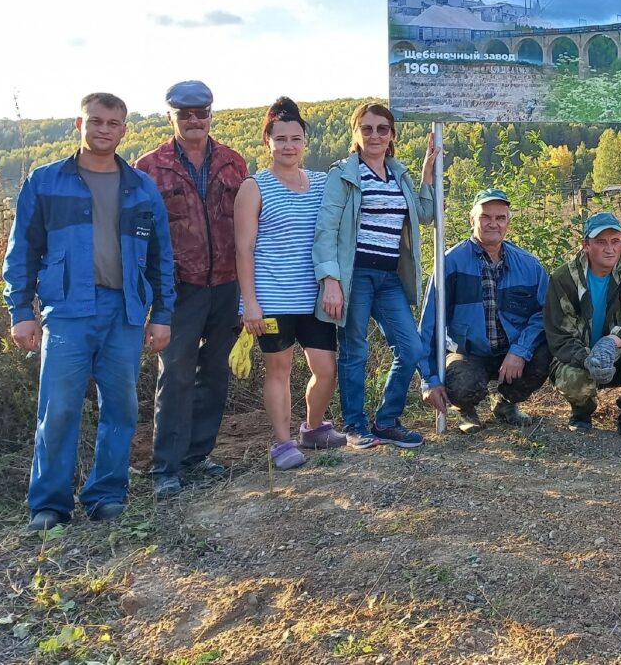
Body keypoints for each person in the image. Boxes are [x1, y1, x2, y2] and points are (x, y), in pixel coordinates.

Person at [4, 92, 175, 530]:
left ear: (124, 130)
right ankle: (49, 504)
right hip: (67, 311)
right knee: (58, 408)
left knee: (121, 407)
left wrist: (162, 313)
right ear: (78, 125)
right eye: (95, 121)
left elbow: (162, 257)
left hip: (125, 310)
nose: (104, 129)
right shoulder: (46, 182)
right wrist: (20, 310)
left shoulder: (141, 187)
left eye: (113, 123)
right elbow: (21, 251)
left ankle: (106, 494)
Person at [135, 80, 248, 498]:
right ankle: (166, 466)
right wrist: (149, 295)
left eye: (202, 112)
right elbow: (138, 238)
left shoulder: (234, 163)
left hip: (226, 285)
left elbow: (248, 230)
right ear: (171, 116)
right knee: (176, 376)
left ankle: (198, 456)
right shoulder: (149, 168)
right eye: (186, 114)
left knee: (214, 374)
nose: (195, 120)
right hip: (178, 289)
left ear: (211, 115)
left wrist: (245, 292)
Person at [313, 102, 437, 449]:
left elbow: (424, 214)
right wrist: (330, 280)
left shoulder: (399, 174)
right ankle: (355, 425)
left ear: (392, 135)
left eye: (382, 129)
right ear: (356, 134)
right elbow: (326, 229)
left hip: (388, 278)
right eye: (366, 128)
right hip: (355, 276)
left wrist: (427, 173)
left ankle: (386, 421)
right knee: (355, 351)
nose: (374, 135)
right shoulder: (345, 174)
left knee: (411, 348)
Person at [235, 98, 344, 471]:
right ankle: (282, 443)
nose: (288, 146)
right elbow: (244, 248)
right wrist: (249, 302)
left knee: (326, 369)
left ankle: (312, 429)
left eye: (295, 138)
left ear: (304, 142)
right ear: (267, 141)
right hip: (271, 298)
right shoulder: (254, 187)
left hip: (314, 297)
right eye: (280, 138)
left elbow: (332, 234)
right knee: (278, 370)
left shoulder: (319, 184)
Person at [417, 189, 551, 433]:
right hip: (466, 354)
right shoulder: (449, 263)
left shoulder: (530, 266)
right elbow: (428, 326)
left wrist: (520, 351)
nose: (493, 224)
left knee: (546, 352)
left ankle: (506, 405)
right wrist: (429, 379)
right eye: (485, 217)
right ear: (472, 220)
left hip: (510, 353)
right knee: (463, 383)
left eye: (500, 218)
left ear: (508, 222)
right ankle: (465, 409)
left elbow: (544, 314)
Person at [544, 212, 621, 448]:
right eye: (601, 242)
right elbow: (560, 336)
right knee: (571, 379)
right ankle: (582, 411)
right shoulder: (563, 278)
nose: (610, 249)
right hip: (581, 358)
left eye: (615, 241)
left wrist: (613, 342)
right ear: (586, 246)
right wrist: (589, 359)